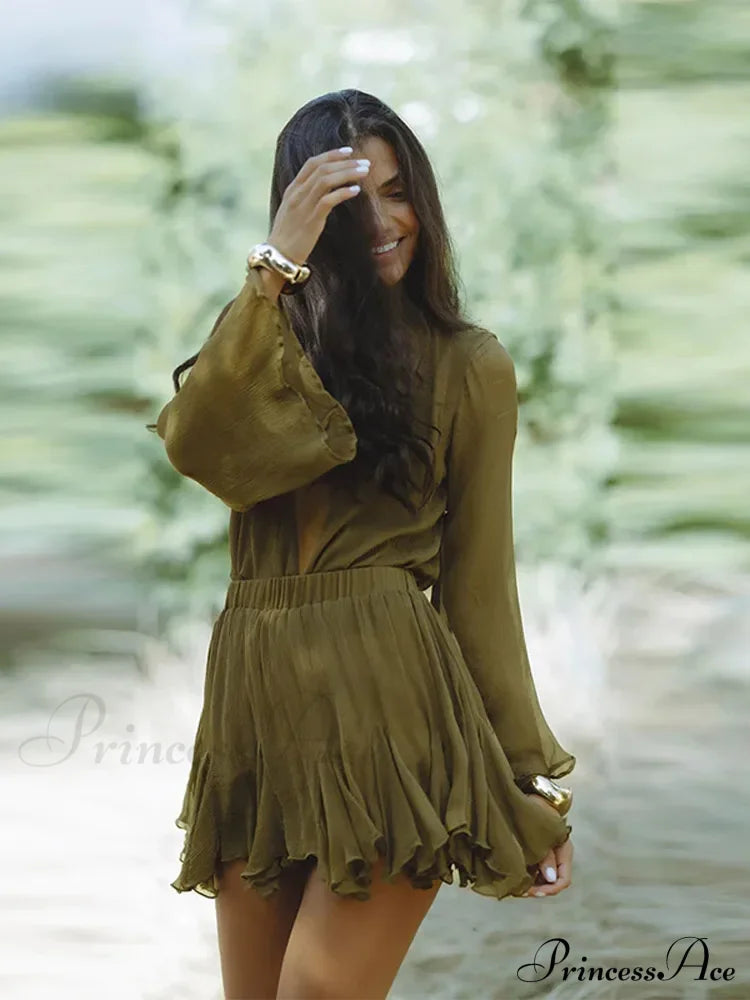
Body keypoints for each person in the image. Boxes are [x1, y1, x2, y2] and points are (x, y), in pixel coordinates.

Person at [149, 89, 577, 1000]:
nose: (384, 224)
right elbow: (192, 444)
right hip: (255, 705)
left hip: (389, 702)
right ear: (303, 217)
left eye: (398, 191)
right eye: (350, 205)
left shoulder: (468, 363)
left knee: (318, 992)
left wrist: (529, 777)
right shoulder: (262, 346)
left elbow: (479, 583)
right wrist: (272, 270)